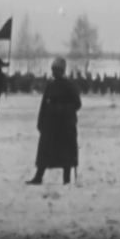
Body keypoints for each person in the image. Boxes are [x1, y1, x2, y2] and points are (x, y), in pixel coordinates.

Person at [27, 57, 82, 185]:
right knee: (45, 151)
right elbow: (44, 105)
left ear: (62, 71)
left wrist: (64, 108)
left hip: (65, 125)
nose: (54, 73)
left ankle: (66, 179)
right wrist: (40, 121)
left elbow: (77, 103)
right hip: (50, 124)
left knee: (66, 153)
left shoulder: (70, 86)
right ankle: (38, 177)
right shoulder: (50, 85)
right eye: (53, 70)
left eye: (56, 70)